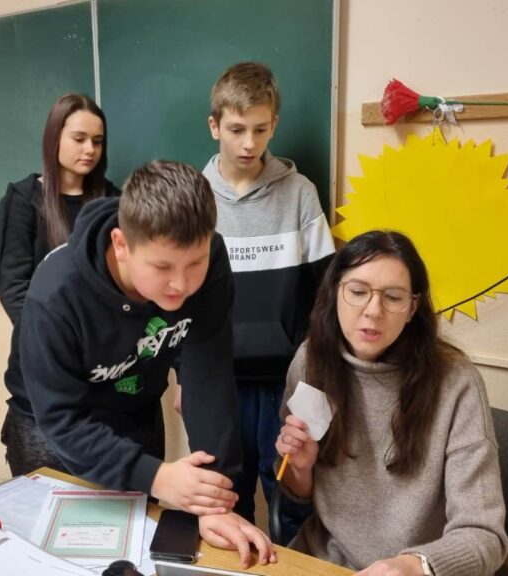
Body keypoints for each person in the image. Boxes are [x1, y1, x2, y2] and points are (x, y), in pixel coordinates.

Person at [18, 161, 276, 569]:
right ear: (121, 245)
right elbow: (62, 419)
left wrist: (213, 502)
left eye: (195, 263)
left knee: (136, 555)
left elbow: (209, 375)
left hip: (136, 408)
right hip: (52, 427)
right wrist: (156, 477)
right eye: (162, 268)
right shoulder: (56, 297)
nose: (182, 284)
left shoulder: (209, 261)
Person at [276, 230, 508, 575]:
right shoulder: (311, 362)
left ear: (412, 307)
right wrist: (300, 469)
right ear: (335, 292)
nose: (373, 311)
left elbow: (485, 536)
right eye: (357, 292)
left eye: (393, 297)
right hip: (324, 561)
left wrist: (415, 565)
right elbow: (297, 495)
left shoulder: (455, 382)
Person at [199, 61, 333, 536]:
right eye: (236, 129)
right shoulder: (196, 199)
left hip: (287, 379)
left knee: (285, 493)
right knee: (223, 491)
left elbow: (325, 295)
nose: (249, 143)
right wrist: (182, 376)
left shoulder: (300, 194)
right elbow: (179, 299)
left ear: (275, 123)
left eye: (260, 129)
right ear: (214, 125)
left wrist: (316, 374)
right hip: (218, 378)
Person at [0, 92, 119, 475]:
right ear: (55, 139)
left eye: (97, 141)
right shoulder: (23, 198)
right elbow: (14, 286)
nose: (89, 149)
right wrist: (57, 341)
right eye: (79, 138)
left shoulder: (113, 200)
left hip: (106, 368)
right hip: (47, 361)